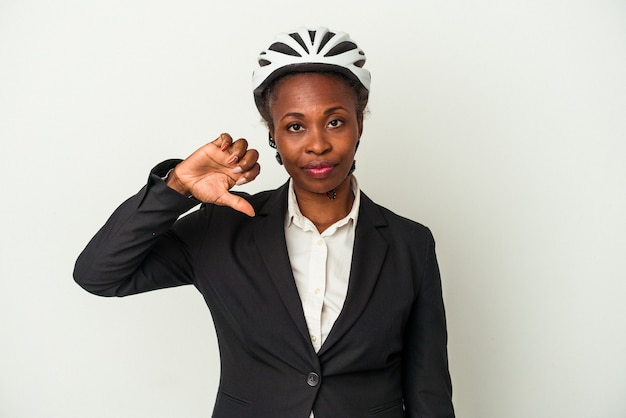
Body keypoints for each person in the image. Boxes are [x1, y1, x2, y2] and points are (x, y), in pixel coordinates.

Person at [74, 27, 455, 418]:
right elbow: (98, 275)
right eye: (295, 126)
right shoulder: (222, 229)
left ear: (360, 125)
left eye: (335, 122)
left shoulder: (411, 244)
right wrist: (177, 187)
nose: (317, 144)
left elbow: (430, 391)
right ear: (273, 134)